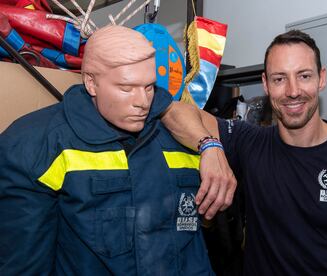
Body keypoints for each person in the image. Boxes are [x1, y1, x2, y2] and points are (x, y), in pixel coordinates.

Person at [161, 30, 327, 275]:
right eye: (279, 79)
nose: (292, 91)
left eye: (304, 76)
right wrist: (210, 146)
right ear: (266, 84)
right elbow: (173, 111)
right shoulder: (249, 142)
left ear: (321, 78)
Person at [0, 25, 236, 275]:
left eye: (149, 87)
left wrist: (211, 147)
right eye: (126, 88)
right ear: (91, 82)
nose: (142, 102)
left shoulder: (183, 135)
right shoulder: (36, 145)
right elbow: (24, 264)